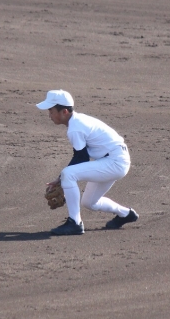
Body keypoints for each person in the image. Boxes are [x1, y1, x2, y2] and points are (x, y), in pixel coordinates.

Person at [36, 89, 138, 235]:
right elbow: (81, 157)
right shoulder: (78, 121)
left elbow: (81, 158)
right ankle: (126, 214)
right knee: (89, 202)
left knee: (68, 174)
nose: (49, 115)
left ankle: (75, 223)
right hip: (113, 160)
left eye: (51, 111)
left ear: (64, 111)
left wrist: (61, 179)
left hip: (115, 161)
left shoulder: (75, 128)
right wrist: (60, 180)